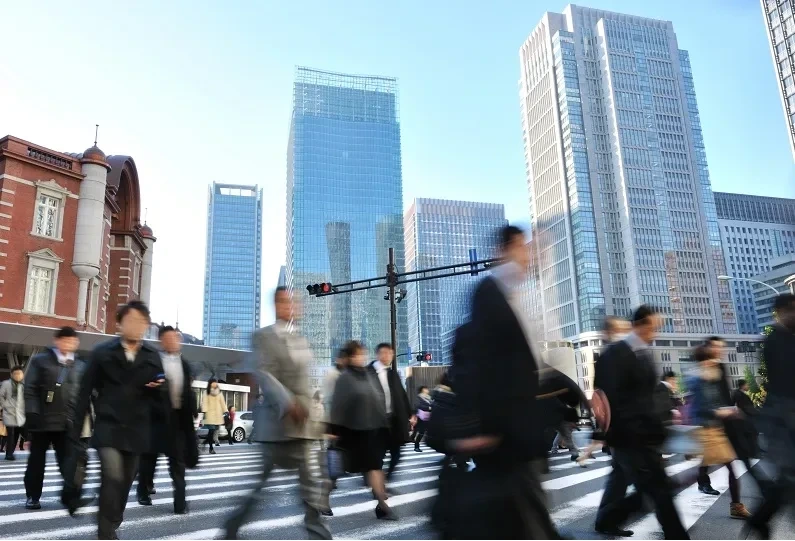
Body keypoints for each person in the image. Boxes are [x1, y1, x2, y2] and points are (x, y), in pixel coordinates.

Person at [451, 224, 564, 539]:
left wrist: (581, 398)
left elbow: (532, 368)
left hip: (518, 432)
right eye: (524, 247)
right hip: (502, 435)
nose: (529, 255)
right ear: (506, 249)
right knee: (524, 518)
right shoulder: (488, 294)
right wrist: (482, 429)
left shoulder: (514, 297)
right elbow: (480, 364)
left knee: (524, 517)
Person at [223, 287, 330, 540]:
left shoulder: (301, 341)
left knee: (310, 490)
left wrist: (317, 416)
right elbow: (264, 374)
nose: (289, 307)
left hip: (303, 428)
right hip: (276, 425)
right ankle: (232, 526)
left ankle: (320, 536)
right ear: (275, 305)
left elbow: (308, 385)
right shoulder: (263, 337)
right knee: (259, 487)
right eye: (284, 302)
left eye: (293, 303)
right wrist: (288, 402)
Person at [66, 300, 164, 540]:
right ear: (119, 324)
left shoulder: (153, 356)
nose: (136, 326)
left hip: (138, 430)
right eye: (130, 320)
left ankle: (112, 517)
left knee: (125, 481)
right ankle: (106, 532)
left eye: (141, 322)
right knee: (112, 475)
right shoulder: (102, 352)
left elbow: (163, 395)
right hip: (108, 427)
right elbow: (84, 393)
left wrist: (158, 388)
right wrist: (74, 434)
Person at [594, 305, 688, 540]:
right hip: (628, 437)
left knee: (655, 488)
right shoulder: (614, 354)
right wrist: (610, 434)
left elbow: (648, 398)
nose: (655, 333)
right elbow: (607, 399)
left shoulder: (645, 354)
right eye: (654, 327)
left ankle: (609, 517)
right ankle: (675, 534)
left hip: (646, 435)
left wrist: (659, 429)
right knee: (657, 489)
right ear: (642, 324)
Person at [23, 327, 88, 510]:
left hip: (67, 422)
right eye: (65, 340)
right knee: (36, 462)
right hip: (42, 421)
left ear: (76, 343)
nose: (68, 344)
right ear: (57, 341)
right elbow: (30, 390)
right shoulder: (40, 361)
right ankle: (33, 496)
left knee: (69, 461)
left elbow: (85, 394)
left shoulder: (81, 366)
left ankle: (71, 497)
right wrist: (33, 413)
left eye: (72, 341)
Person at [135, 325, 198, 514]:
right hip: (156, 420)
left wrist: (192, 415)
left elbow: (188, 393)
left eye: (175, 338)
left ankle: (180, 503)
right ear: (162, 341)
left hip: (178, 421)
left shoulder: (185, 365)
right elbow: (141, 387)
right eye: (168, 338)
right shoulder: (153, 362)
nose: (173, 341)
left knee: (177, 464)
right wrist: (149, 387)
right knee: (148, 460)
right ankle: (142, 490)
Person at [747, 293, 795, 538]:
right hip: (781, 421)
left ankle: (760, 518)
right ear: (782, 312)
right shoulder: (776, 340)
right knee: (790, 478)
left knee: (789, 480)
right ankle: (759, 518)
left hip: (785, 419)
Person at [330, 341, 394, 520]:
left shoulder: (368, 374)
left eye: (363, 354)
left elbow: (378, 398)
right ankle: (319, 501)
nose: (362, 358)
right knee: (335, 472)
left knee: (375, 467)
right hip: (350, 432)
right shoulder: (345, 377)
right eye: (358, 354)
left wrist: (383, 424)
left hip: (370, 430)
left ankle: (382, 505)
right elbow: (337, 405)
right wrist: (333, 430)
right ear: (351, 357)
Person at [688, 345, 750, 519]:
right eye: (712, 358)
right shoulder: (699, 379)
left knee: (710, 469)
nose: (716, 361)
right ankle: (661, 490)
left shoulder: (708, 379)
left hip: (713, 429)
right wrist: (722, 412)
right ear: (705, 361)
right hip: (706, 430)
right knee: (729, 466)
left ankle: (661, 490)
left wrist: (726, 411)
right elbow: (702, 408)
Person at [369, 343, 412, 481]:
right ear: (378, 354)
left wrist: (411, 414)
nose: (388, 356)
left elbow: (402, 395)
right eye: (384, 352)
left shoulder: (393, 373)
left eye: (390, 353)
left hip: (393, 421)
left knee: (396, 454)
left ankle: (385, 479)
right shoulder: (368, 372)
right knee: (377, 455)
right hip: (376, 422)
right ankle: (377, 483)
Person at [0, 365, 26, 461]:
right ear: (11, 374)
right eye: (16, 373)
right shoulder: (6, 384)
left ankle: (11, 452)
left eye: (20, 373)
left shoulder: (22, 386)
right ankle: (9, 454)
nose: (18, 375)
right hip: (9, 413)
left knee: (17, 432)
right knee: (10, 433)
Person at [202, 379, 226, 454]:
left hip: (218, 415)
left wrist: (226, 411)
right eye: (213, 383)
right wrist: (204, 412)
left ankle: (205, 442)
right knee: (211, 431)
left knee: (212, 432)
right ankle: (211, 448)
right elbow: (204, 403)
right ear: (210, 384)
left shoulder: (219, 392)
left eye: (216, 383)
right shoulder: (206, 392)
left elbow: (222, 403)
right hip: (210, 414)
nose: (215, 384)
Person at [413, 386, 431, 453]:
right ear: (423, 390)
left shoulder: (428, 398)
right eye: (426, 389)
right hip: (421, 417)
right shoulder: (419, 397)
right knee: (421, 432)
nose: (427, 390)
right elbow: (418, 405)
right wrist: (429, 408)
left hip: (428, 416)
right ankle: (416, 446)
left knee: (424, 431)